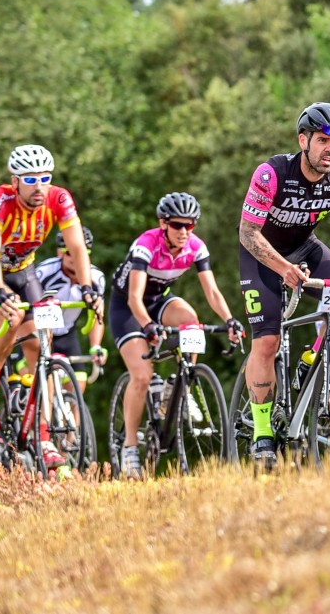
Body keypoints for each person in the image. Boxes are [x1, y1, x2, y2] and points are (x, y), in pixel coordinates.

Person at [238, 102, 330, 469]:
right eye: (324, 140)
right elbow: (248, 232)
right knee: (267, 341)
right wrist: (282, 268)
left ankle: (317, 356)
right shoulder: (272, 173)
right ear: (303, 140)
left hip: (305, 249)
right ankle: (263, 434)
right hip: (261, 254)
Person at [0, 144, 101, 471]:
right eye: (30, 179)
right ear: (15, 182)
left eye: (45, 178)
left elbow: (77, 246)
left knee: (43, 342)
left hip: (24, 271)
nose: (39, 186)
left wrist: (87, 288)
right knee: (9, 318)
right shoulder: (0, 200)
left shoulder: (59, 198)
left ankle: (42, 432)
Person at [110, 193, 244, 479]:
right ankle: (131, 446)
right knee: (142, 376)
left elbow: (212, 292)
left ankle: (178, 383)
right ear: (163, 223)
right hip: (128, 308)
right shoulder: (146, 246)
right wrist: (147, 327)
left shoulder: (196, 247)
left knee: (191, 321)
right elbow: (134, 298)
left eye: (190, 225)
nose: (184, 231)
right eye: (177, 225)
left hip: (159, 301)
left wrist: (230, 320)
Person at [32, 225, 108, 391]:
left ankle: (73, 417)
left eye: (80, 253)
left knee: (78, 388)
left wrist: (95, 345)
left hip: (67, 334)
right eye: (69, 252)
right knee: (41, 385)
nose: (74, 257)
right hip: (42, 333)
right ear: (60, 252)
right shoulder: (45, 272)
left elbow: (96, 315)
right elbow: (31, 309)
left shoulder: (96, 278)